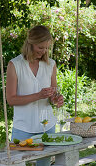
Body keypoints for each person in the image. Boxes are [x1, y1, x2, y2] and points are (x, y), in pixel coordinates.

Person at [6, 25, 64, 166]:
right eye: (40, 47)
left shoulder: (51, 65)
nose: (44, 51)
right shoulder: (15, 64)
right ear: (30, 43)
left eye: (46, 48)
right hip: (23, 128)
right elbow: (11, 99)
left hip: (47, 127)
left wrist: (56, 99)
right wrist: (38, 95)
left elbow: (53, 94)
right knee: (15, 163)